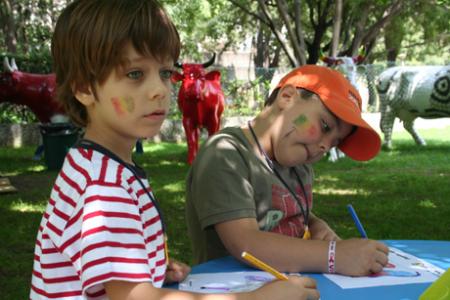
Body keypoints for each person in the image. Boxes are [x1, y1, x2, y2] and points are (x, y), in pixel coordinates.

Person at [30, 1, 319, 299]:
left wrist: (148, 268)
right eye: (135, 74)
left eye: (165, 73)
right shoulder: (104, 187)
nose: (161, 89)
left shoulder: (96, 166)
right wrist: (255, 298)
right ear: (84, 89)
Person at [186, 65, 390, 277]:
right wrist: (334, 256)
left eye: (335, 143)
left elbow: (280, 208)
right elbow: (246, 244)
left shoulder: (299, 167)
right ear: (287, 97)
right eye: (325, 126)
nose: (325, 146)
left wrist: (314, 223)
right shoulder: (226, 154)